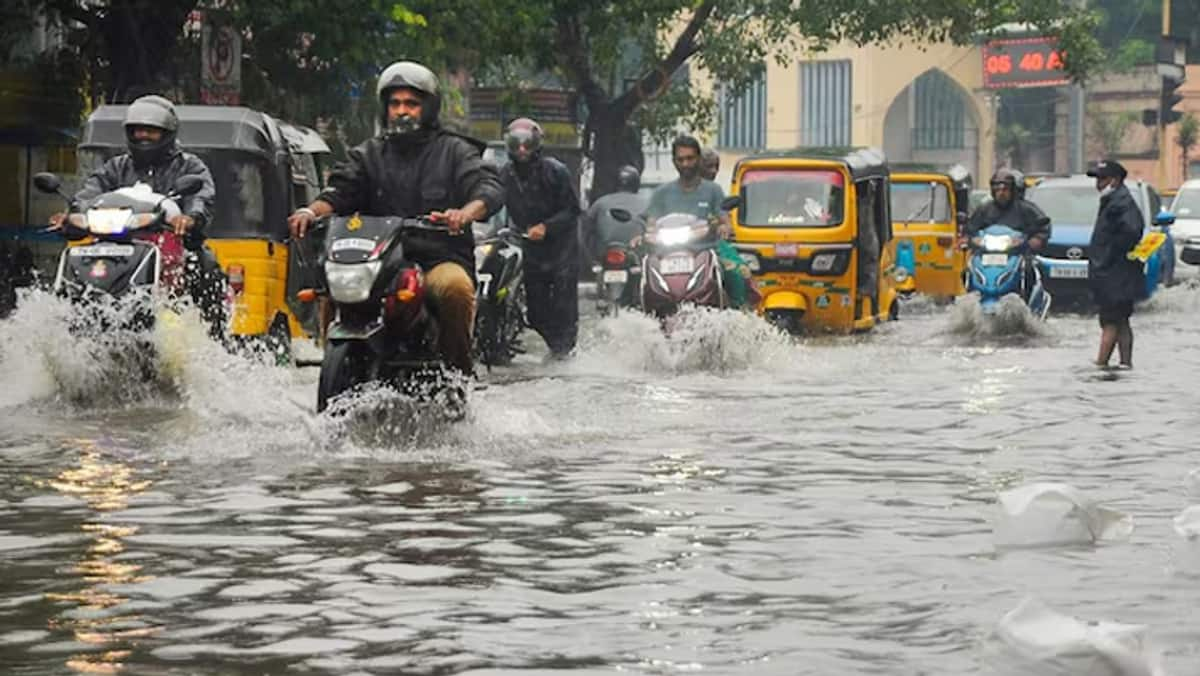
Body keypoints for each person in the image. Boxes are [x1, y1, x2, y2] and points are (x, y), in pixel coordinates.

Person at [287, 61, 503, 376]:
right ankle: (331, 364)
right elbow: (339, 192)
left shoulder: (454, 151)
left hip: (436, 260)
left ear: (428, 108)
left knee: (456, 289)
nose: (402, 111)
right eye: (395, 103)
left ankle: (459, 374)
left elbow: (487, 186)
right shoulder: (368, 154)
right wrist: (310, 211)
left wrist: (464, 213)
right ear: (385, 109)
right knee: (333, 291)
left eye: (412, 104)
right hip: (377, 264)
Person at [54, 94, 224, 335]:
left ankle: (212, 337)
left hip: (171, 243)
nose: (143, 136)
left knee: (205, 264)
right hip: (114, 242)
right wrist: (73, 214)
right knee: (78, 258)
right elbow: (90, 192)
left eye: (151, 131)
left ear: (167, 133)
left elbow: (202, 196)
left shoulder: (189, 166)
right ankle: (62, 321)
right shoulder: (116, 167)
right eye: (137, 130)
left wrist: (191, 218)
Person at [499, 117, 582, 360]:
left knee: (564, 305)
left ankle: (565, 354)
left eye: (527, 144)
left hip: (562, 249)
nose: (522, 150)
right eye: (516, 144)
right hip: (531, 249)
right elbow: (492, 200)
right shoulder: (504, 174)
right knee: (535, 311)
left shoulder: (555, 171)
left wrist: (546, 227)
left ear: (537, 144)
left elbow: (572, 210)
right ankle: (555, 346)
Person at [645, 135, 755, 308]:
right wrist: (644, 233)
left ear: (698, 159)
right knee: (640, 272)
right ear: (674, 161)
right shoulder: (661, 193)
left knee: (737, 273)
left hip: (705, 249)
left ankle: (739, 315)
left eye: (690, 158)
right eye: (680, 159)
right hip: (666, 252)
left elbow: (723, 217)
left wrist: (724, 226)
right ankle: (638, 314)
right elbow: (651, 222)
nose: (685, 164)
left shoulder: (712, 190)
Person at [1086, 159, 1144, 369]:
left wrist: (1111, 256)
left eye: (1103, 179)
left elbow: (1131, 232)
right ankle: (1125, 364)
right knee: (1120, 320)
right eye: (1097, 179)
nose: (1098, 184)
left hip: (1115, 274)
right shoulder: (1113, 201)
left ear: (1116, 180)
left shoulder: (1121, 203)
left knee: (1110, 320)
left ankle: (1101, 365)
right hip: (1114, 273)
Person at [965, 167, 1051, 296]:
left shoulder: (1026, 209)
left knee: (1028, 271)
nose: (1001, 193)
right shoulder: (984, 209)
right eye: (997, 190)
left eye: (1005, 189)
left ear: (1012, 190)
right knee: (967, 270)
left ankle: (1026, 299)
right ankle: (972, 297)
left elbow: (1043, 226)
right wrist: (970, 239)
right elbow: (970, 229)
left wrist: (1036, 239)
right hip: (986, 254)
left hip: (1016, 253)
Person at [581, 165, 647, 261]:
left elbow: (586, 225)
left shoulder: (601, 202)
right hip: (636, 254)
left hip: (602, 254)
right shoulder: (646, 203)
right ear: (636, 183)